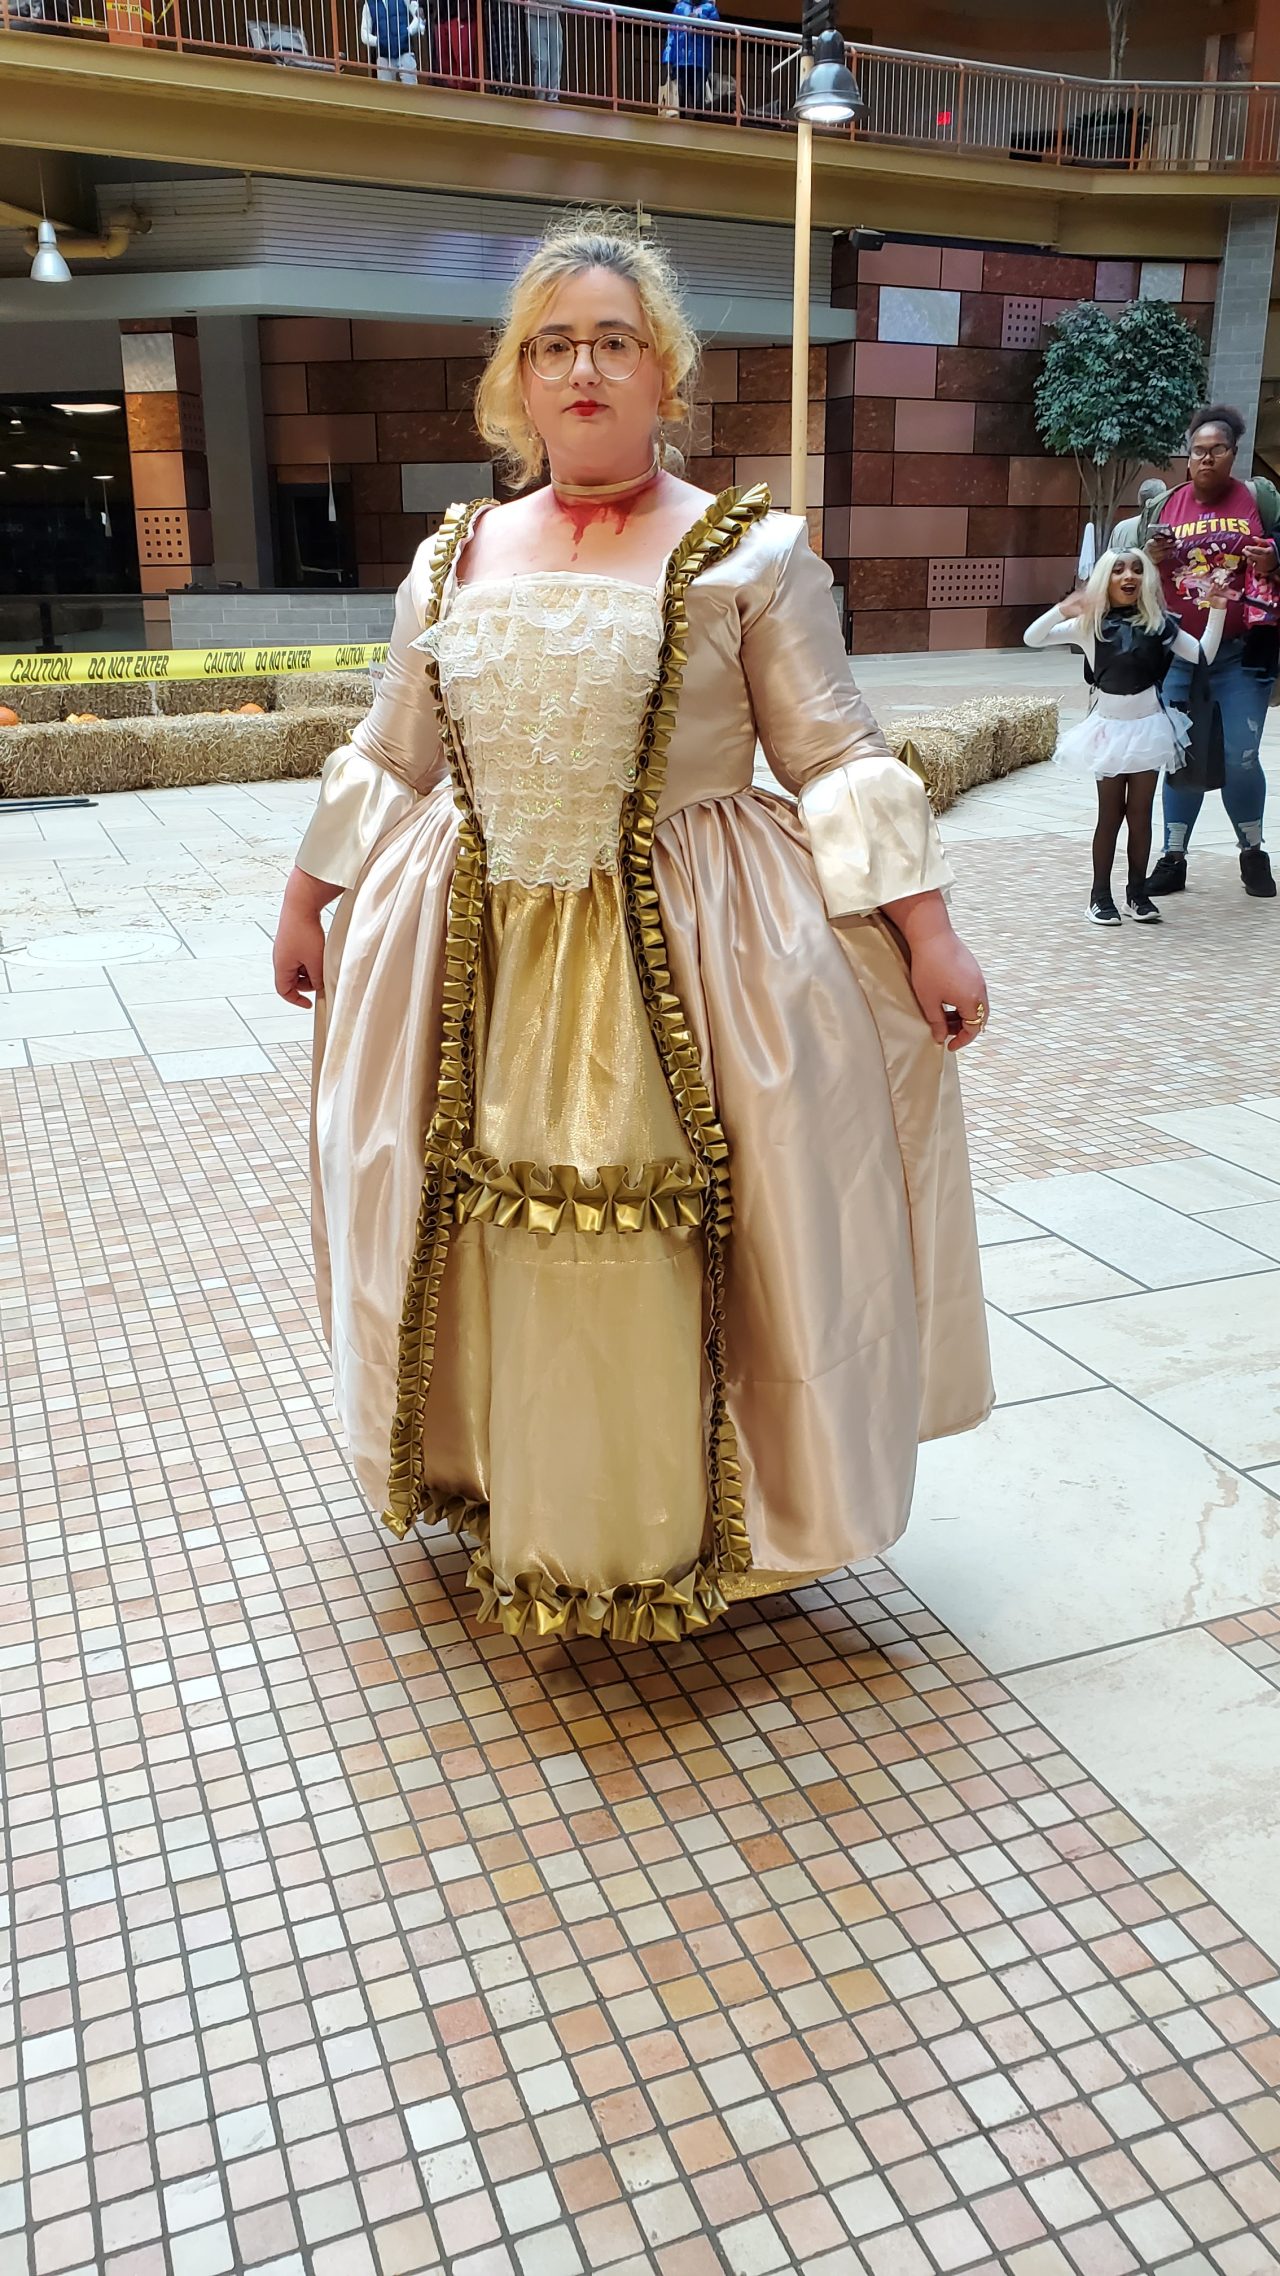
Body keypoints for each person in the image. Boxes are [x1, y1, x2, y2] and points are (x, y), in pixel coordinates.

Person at [272, 213, 993, 1643]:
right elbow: (395, 750)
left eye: (614, 341)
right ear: (516, 382)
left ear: (666, 371)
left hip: (701, 942)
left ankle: (670, 1508)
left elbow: (834, 754)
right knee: (477, 1220)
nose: (583, 370)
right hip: (472, 950)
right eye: (552, 346)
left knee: (689, 1232)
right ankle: (509, 1476)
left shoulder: (751, 555)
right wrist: (307, 899)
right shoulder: (453, 557)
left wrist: (927, 932)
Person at [1025, 547, 1226, 927]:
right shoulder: (1089, 625)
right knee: (1110, 813)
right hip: (1108, 730)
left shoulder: (1160, 625)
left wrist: (1217, 609)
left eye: (1136, 569)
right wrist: (1064, 609)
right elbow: (1032, 638)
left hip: (1149, 728)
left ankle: (1137, 893)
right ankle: (1099, 896)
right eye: (1117, 570)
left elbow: (1203, 654)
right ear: (1105, 579)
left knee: (1141, 813)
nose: (1128, 576)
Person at [1137, 403, 1278, 901]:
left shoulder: (1258, 500)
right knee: (1180, 757)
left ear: (1233, 453)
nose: (1206, 458)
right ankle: (1173, 858)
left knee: (1241, 756)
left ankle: (1253, 852)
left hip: (1241, 655)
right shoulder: (1167, 506)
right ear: (1188, 455)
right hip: (1180, 655)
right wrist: (1149, 556)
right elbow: (1134, 571)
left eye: (1217, 449)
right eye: (1198, 450)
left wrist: (1274, 556)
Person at [662, 0, 718, 114]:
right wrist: (667, 59)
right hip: (680, 60)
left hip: (700, 61)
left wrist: (699, 19)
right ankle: (681, 119)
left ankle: (698, 120)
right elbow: (671, 35)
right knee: (680, 96)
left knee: (698, 97)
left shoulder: (709, 8)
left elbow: (715, 33)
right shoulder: (679, 8)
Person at [360, 0, 425, 80]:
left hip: (405, 50)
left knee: (410, 85)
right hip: (384, 54)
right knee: (386, 87)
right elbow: (364, 35)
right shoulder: (369, 4)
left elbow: (419, 17)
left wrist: (408, 31)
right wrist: (379, 41)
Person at [524, 0, 561, 95]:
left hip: (553, 13)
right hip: (533, 13)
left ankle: (553, 98)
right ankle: (540, 98)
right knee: (541, 60)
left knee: (555, 60)